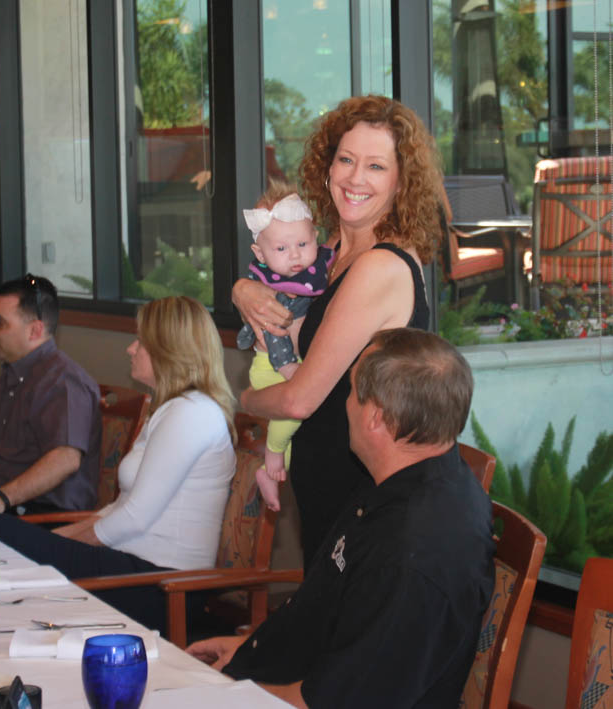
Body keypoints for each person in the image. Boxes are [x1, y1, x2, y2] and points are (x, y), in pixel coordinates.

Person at [187, 328, 496, 708]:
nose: (343, 403)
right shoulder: (400, 479)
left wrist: (220, 691)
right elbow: (326, 611)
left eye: (350, 391)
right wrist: (251, 647)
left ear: (376, 418)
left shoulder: (413, 554)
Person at [232, 95, 442, 570]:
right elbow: (277, 288)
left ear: (401, 180)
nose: (355, 178)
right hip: (326, 483)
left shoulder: (379, 266)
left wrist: (243, 402)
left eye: (376, 166)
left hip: (362, 497)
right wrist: (242, 289)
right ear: (326, 167)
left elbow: (297, 401)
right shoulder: (328, 250)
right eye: (346, 159)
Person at [0, 295, 237, 631]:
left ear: (168, 351)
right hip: (132, 568)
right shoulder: (171, 408)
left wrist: (53, 548)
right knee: (3, 536)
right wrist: (55, 541)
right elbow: (121, 507)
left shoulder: (192, 413)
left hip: (163, 586)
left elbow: (133, 517)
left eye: (141, 343)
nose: (130, 349)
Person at [0, 275, 102, 523]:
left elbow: (65, 459)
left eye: (0, 323)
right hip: (5, 510)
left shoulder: (63, 382)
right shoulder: (11, 376)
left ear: (35, 330)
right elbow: (6, 460)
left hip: (43, 521)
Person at [236, 181, 333, 512]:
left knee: (294, 430)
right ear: (260, 255)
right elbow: (274, 329)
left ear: (316, 237)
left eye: (303, 244)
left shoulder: (317, 270)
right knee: (290, 418)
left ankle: (268, 471)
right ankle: (273, 453)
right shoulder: (270, 287)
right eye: (281, 249)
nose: (295, 255)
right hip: (272, 367)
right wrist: (287, 366)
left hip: (297, 374)